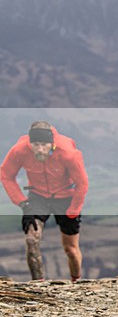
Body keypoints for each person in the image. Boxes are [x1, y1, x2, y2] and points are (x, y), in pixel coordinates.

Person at [1, 121, 88, 282]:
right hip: (38, 196)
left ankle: (76, 281)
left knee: (70, 249)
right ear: (30, 143)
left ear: (52, 144)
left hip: (65, 197)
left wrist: (73, 210)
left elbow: (82, 183)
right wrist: (22, 203)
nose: (40, 149)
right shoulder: (19, 151)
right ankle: (38, 284)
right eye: (35, 145)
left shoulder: (69, 153)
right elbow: (6, 174)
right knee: (31, 239)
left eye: (44, 145)